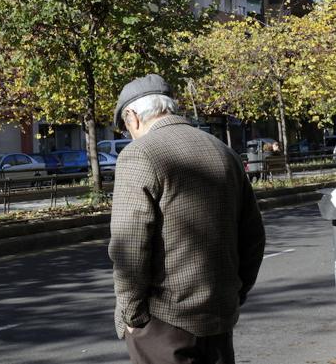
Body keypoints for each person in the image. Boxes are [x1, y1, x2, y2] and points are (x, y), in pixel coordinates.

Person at [109, 74, 265, 364]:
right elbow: (253, 236)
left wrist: (132, 315)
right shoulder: (224, 152)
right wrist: (235, 293)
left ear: (132, 116)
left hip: (165, 321)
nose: (128, 134)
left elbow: (129, 245)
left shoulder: (139, 154)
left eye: (125, 127)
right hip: (218, 315)